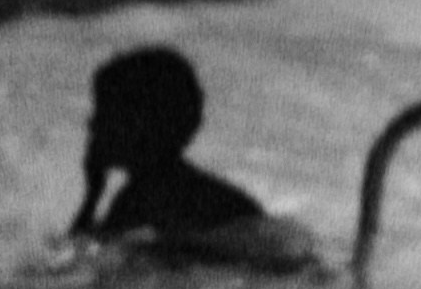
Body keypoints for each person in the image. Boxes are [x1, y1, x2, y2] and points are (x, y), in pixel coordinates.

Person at [69, 46, 314, 269]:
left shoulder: (140, 198)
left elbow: (81, 259)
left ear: (141, 126)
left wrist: (92, 197)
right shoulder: (220, 195)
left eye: (105, 113)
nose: (91, 124)